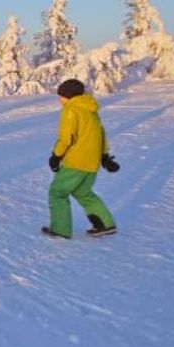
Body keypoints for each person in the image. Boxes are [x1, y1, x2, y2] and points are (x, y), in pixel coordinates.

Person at [42, 79, 120, 238]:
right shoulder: (91, 111)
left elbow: (67, 138)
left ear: (69, 96)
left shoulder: (71, 110)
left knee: (57, 192)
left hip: (75, 163)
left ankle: (60, 230)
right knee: (83, 192)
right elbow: (101, 135)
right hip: (91, 164)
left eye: (61, 96)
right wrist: (104, 157)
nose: (60, 99)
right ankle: (106, 224)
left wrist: (56, 156)